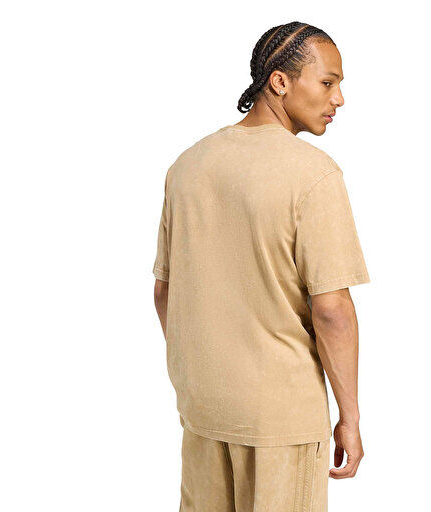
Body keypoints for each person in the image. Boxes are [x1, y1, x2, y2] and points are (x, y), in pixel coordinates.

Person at [153, 21, 370, 511]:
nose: (338, 99)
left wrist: (201, 374)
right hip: (281, 416)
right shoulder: (313, 174)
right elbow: (332, 309)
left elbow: (165, 292)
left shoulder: (187, 166)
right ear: (280, 82)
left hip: (204, 410)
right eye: (327, 82)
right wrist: (350, 417)